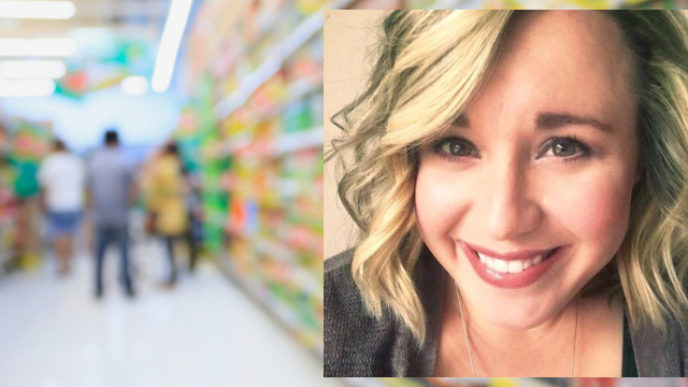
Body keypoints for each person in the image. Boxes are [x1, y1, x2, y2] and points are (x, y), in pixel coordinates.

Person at [324, 10, 688, 377]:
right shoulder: (322, 323)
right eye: (455, 146)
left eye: (563, 147)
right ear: (409, 157)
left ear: (644, 151)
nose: (504, 222)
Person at [87, 129, 135, 298]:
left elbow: (89, 190)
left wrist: (91, 211)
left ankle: (99, 288)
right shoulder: (124, 160)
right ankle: (127, 286)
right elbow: (132, 188)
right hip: (121, 214)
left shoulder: (94, 162)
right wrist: (129, 206)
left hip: (100, 215)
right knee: (125, 252)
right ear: (117, 141)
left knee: (99, 255)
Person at [145, 141, 195, 287]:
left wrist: (151, 210)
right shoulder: (180, 164)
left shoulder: (160, 166)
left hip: (165, 209)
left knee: (168, 244)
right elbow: (187, 186)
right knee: (183, 239)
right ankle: (187, 268)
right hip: (179, 207)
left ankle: (173, 275)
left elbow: (151, 189)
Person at [38, 139, 85, 275]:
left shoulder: (49, 162)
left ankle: (60, 263)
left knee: (58, 235)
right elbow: (81, 184)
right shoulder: (75, 161)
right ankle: (68, 264)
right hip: (73, 203)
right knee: (70, 234)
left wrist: (44, 204)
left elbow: (46, 186)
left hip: (56, 203)